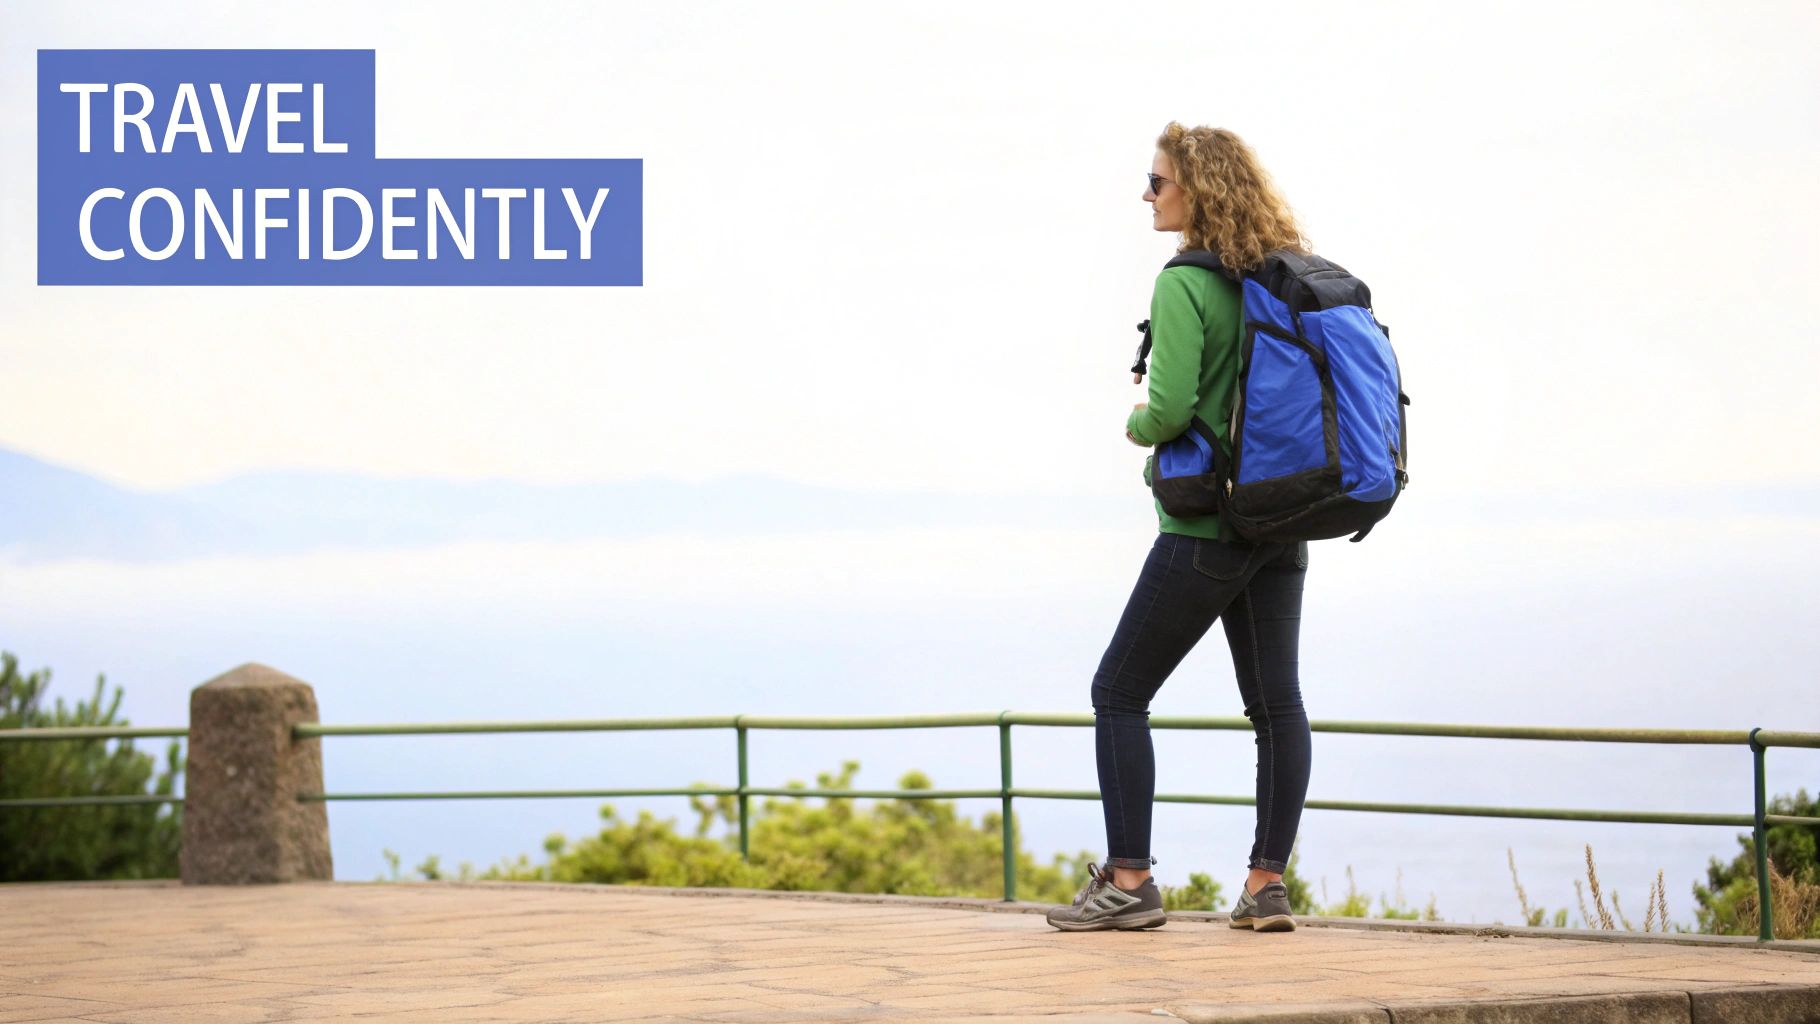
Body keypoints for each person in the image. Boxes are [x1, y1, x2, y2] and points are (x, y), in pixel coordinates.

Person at [1045, 123, 1313, 934]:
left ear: (1195, 189)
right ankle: (1265, 886)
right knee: (1276, 706)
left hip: (1203, 529)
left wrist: (1137, 422)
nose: (1148, 194)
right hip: (1280, 520)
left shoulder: (1183, 285)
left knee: (1117, 691)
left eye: (1157, 181)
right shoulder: (1271, 280)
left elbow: (1169, 409)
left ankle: (1128, 880)